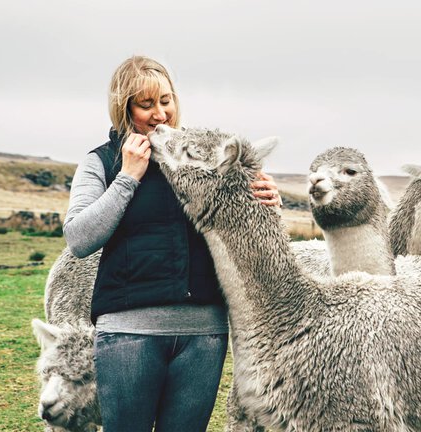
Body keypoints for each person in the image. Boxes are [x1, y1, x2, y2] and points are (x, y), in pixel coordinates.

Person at [63, 55, 281, 432]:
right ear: (124, 107)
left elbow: (241, 233)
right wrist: (128, 177)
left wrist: (266, 199)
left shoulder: (203, 159)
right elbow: (80, 238)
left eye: (166, 100)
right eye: (145, 105)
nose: (160, 113)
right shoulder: (102, 162)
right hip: (129, 335)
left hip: (204, 336)